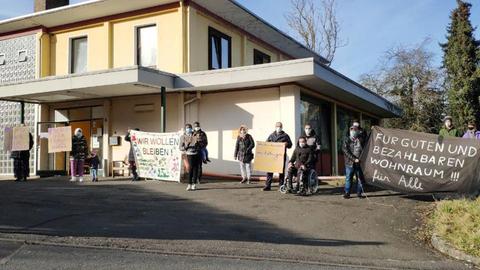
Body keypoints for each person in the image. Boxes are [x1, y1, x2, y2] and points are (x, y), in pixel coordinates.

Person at [264, 122, 292, 191]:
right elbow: (266, 143)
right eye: (277, 126)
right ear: (275, 127)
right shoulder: (271, 135)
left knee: (281, 172)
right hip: (272, 156)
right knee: (270, 171)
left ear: (282, 127)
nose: (278, 128)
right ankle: (268, 186)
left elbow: (290, 145)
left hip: (281, 157)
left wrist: (287, 144)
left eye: (279, 126)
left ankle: (281, 186)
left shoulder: (285, 136)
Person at [342, 124, 366, 199]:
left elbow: (368, 139)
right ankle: (347, 193)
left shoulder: (361, 139)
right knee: (349, 178)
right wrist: (354, 159)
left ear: (358, 131)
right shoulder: (346, 140)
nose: (353, 131)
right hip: (350, 163)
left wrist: (372, 130)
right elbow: (346, 151)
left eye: (355, 130)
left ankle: (359, 193)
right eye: (351, 129)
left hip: (359, 163)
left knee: (360, 179)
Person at [180, 123, 201, 191]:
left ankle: (194, 184)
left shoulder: (195, 135)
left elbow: (201, 142)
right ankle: (189, 184)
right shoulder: (183, 136)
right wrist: (186, 146)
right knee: (191, 168)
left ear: (191, 128)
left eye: (189, 128)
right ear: (185, 129)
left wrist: (198, 144)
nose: (188, 129)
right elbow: (180, 147)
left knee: (196, 169)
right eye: (187, 128)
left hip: (196, 153)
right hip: (189, 154)